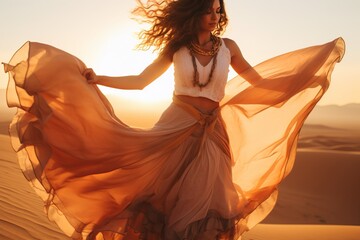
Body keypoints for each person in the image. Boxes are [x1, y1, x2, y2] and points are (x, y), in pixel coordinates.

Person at [3, 0, 344, 239]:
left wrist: (304, 80)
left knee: (209, 201)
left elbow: (259, 83)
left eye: (217, 10)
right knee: (163, 197)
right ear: (194, 12)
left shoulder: (229, 48)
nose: (215, 16)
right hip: (175, 126)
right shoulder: (176, 48)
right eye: (208, 10)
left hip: (213, 132)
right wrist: (98, 78)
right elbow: (139, 82)